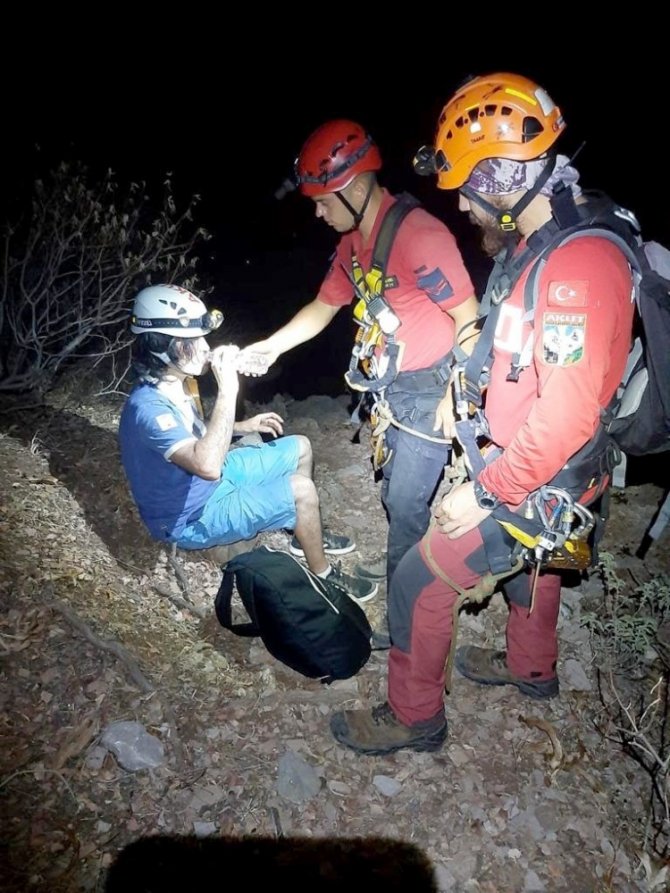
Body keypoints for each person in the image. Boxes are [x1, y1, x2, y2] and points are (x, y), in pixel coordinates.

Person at [329, 72, 637, 754]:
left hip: (541, 478)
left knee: (418, 578)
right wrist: (462, 385)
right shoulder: (544, 241)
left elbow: (564, 416)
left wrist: (486, 491)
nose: (463, 204)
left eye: (470, 187)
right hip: (550, 470)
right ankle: (531, 668)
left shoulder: (575, 268)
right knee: (537, 566)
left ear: (502, 177)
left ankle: (413, 716)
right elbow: (505, 336)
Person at [239, 119, 478, 630]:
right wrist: (270, 346)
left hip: (430, 389)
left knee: (407, 505)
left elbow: (469, 319)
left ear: (351, 189)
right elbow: (325, 305)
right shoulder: (354, 243)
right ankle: (401, 577)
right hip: (391, 389)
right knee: (393, 493)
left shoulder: (420, 236)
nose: (318, 213)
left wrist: (458, 391)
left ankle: (406, 620)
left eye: (323, 202)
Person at [118, 283, 376, 603]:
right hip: (189, 517)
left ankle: (299, 533)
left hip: (206, 482)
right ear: (159, 346)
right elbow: (208, 465)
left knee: (301, 446)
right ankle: (323, 575)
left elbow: (194, 433)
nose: (203, 347)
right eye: (190, 342)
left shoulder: (174, 382)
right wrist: (229, 390)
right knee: (302, 490)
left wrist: (243, 426)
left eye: (201, 338)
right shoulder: (149, 409)